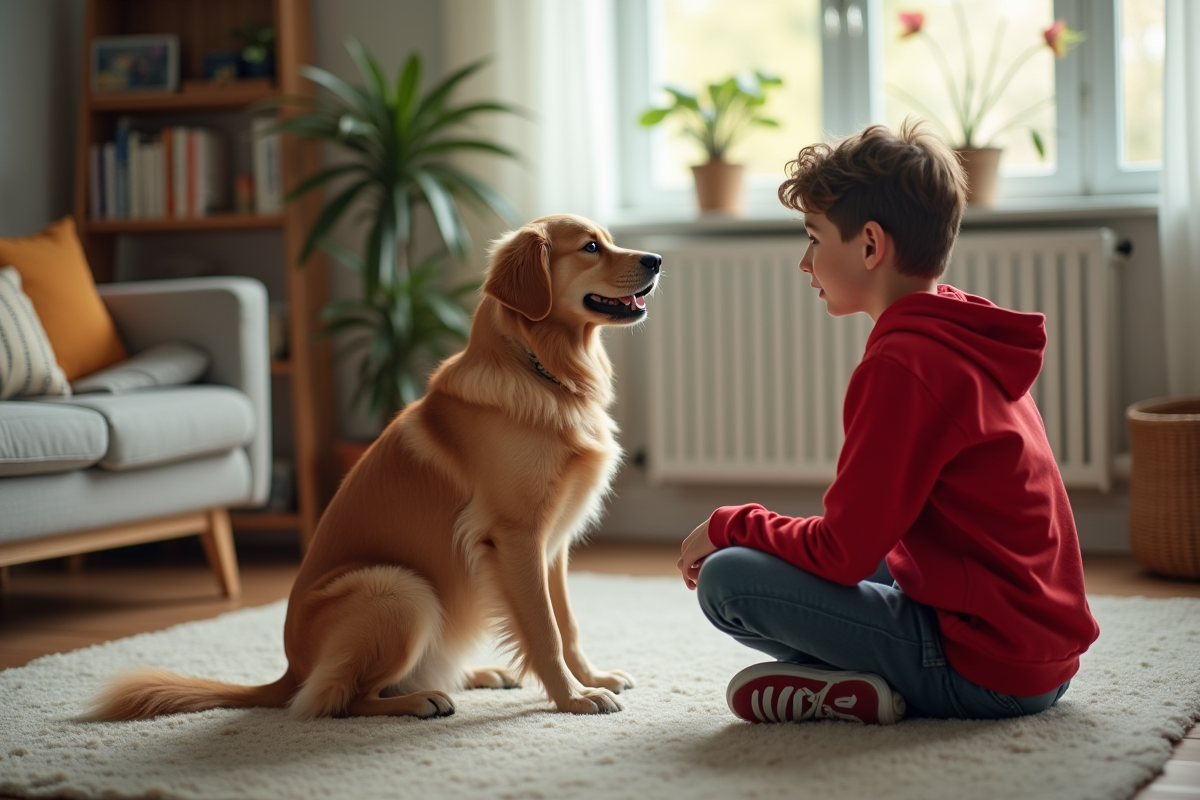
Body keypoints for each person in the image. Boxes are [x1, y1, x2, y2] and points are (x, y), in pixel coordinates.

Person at [677, 120, 1100, 725]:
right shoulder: (957, 330)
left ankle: (856, 684)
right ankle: (853, 682)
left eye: (815, 239)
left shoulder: (904, 365)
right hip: (1037, 656)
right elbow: (868, 542)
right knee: (864, 557)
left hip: (988, 674)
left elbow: (842, 554)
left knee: (728, 580)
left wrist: (730, 525)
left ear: (871, 246)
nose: (805, 262)